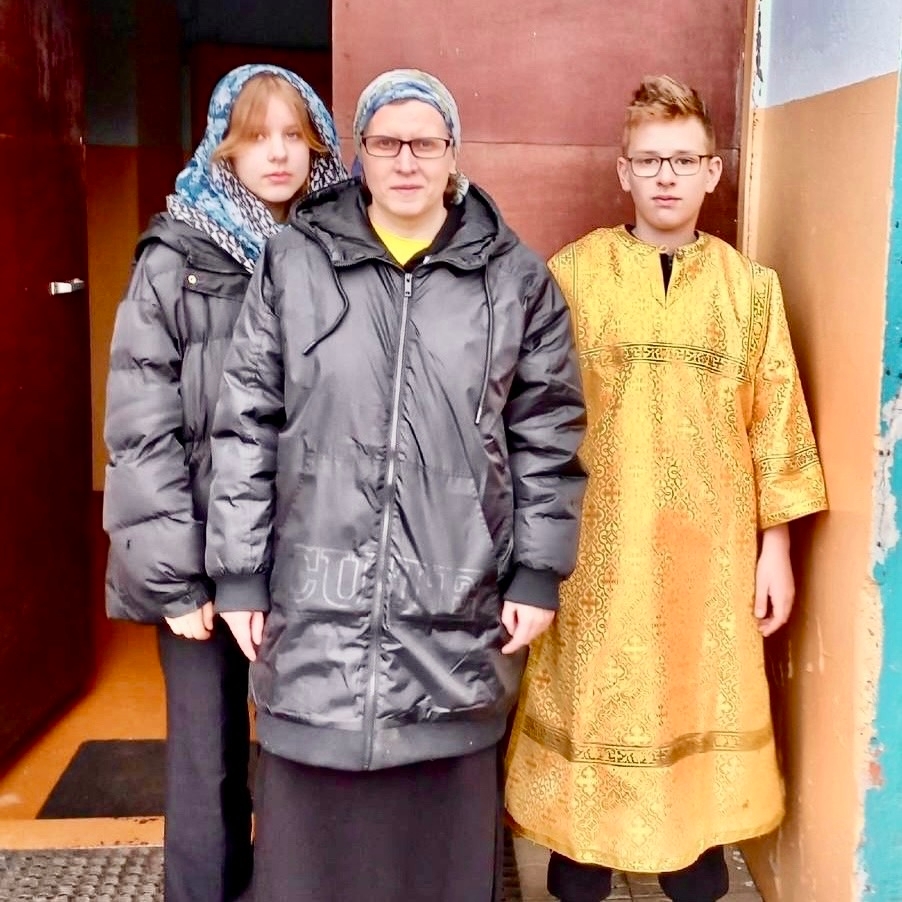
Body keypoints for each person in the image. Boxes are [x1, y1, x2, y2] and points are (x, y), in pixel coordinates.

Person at [204, 68, 587, 902]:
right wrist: (237, 576)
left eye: (424, 142)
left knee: (436, 858)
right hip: (314, 607)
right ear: (360, 154)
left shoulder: (514, 279)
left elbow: (548, 433)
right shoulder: (294, 263)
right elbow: (245, 425)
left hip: (455, 609)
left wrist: (536, 572)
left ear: (453, 154)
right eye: (386, 143)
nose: (406, 161)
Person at [504, 74, 828, 902]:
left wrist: (776, 550)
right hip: (596, 563)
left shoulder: (749, 290)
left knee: (695, 802)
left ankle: (692, 874)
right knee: (584, 824)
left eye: (684, 159)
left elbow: (777, 425)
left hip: (707, 569)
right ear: (624, 170)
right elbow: (530, 416)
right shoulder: (572, 274)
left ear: (713, 171)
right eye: (649, 160)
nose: (667, 176)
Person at [102, 64, 346, 902]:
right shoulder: (176, 255)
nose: (277, 154)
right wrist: (174, 582)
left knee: (300, 752)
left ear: (318, 147)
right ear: (223, 148)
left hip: (308, 551)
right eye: (255, 136)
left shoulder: (338, 249)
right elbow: (141, 427)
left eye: (294, 136)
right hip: (202, 554)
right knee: (207, 757)